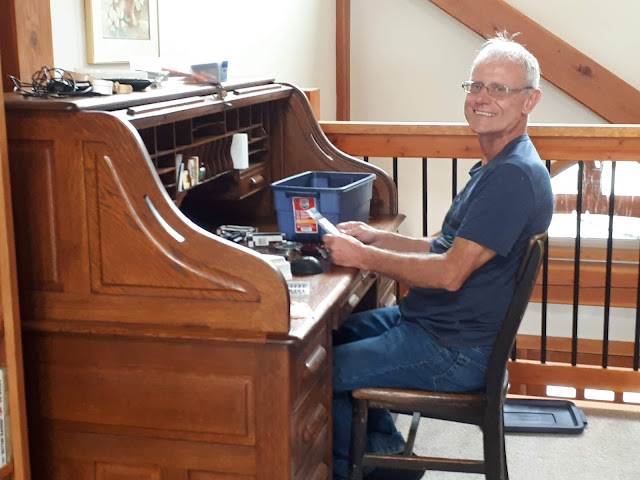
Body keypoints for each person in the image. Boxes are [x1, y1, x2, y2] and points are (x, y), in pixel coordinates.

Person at [324, 32, 554, 480]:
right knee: (332, 338)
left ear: (530, 100)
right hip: (433, 324)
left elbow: (449, 273)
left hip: (454, 349)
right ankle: (388, 459)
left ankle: (368, 470)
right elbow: (444, 248)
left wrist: (363, 257)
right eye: (476, 86)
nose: (483, 97)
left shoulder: (512, 178)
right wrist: (377, 238)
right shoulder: (499, 165)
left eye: (499, 88)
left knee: (312, 373)